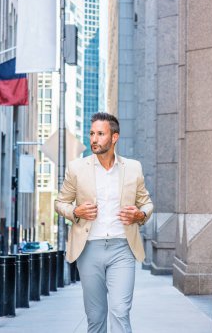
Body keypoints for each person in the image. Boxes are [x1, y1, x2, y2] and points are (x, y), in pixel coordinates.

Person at [55, 112, 154, 333]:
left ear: (114, 137)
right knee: (96, 317)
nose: (94, 139)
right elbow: (60, 203)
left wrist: (140, 215)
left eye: (100, 134)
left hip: (122, 248)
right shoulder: (76, 168)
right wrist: (76, 211)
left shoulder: (133, 168)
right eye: (92, 133)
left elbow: (147, 204)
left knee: (120, 311)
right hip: (89, 248)